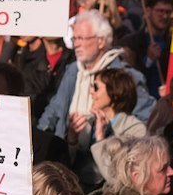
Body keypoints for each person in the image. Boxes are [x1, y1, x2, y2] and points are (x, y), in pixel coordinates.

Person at [38, 11, 156, 139]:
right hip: (68, 152)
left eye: (81, 38)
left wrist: (115, 142)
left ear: (101, 41)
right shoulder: (73, 70)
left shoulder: (123, 76)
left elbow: (146, 119)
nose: (76, 44)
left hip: (104, 154)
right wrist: (39, 138)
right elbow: (55, 108)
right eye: (74, 38)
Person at [81, 66, 148, 186]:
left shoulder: (136, 129)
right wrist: (72, 140)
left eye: (96, 87)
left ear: (115, 93)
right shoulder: (90, 123)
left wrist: (100, 140)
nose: (91, 92)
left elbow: (117, 178)